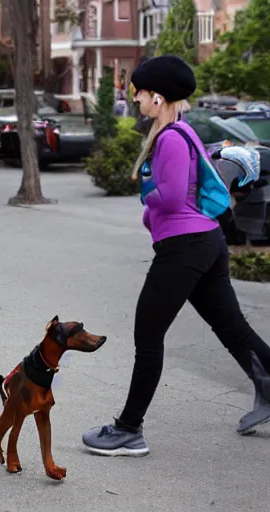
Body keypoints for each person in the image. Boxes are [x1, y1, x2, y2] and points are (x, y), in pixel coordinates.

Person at [81, 55, 270, 457]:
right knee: (232, 327)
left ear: (157, 95)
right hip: (206, 242)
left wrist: (146, 202)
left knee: (148, 336)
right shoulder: (183, 132)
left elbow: (168, 195)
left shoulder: (169, 138)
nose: (135, 99)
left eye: (139, 93)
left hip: (184, 248)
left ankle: (129, 430)